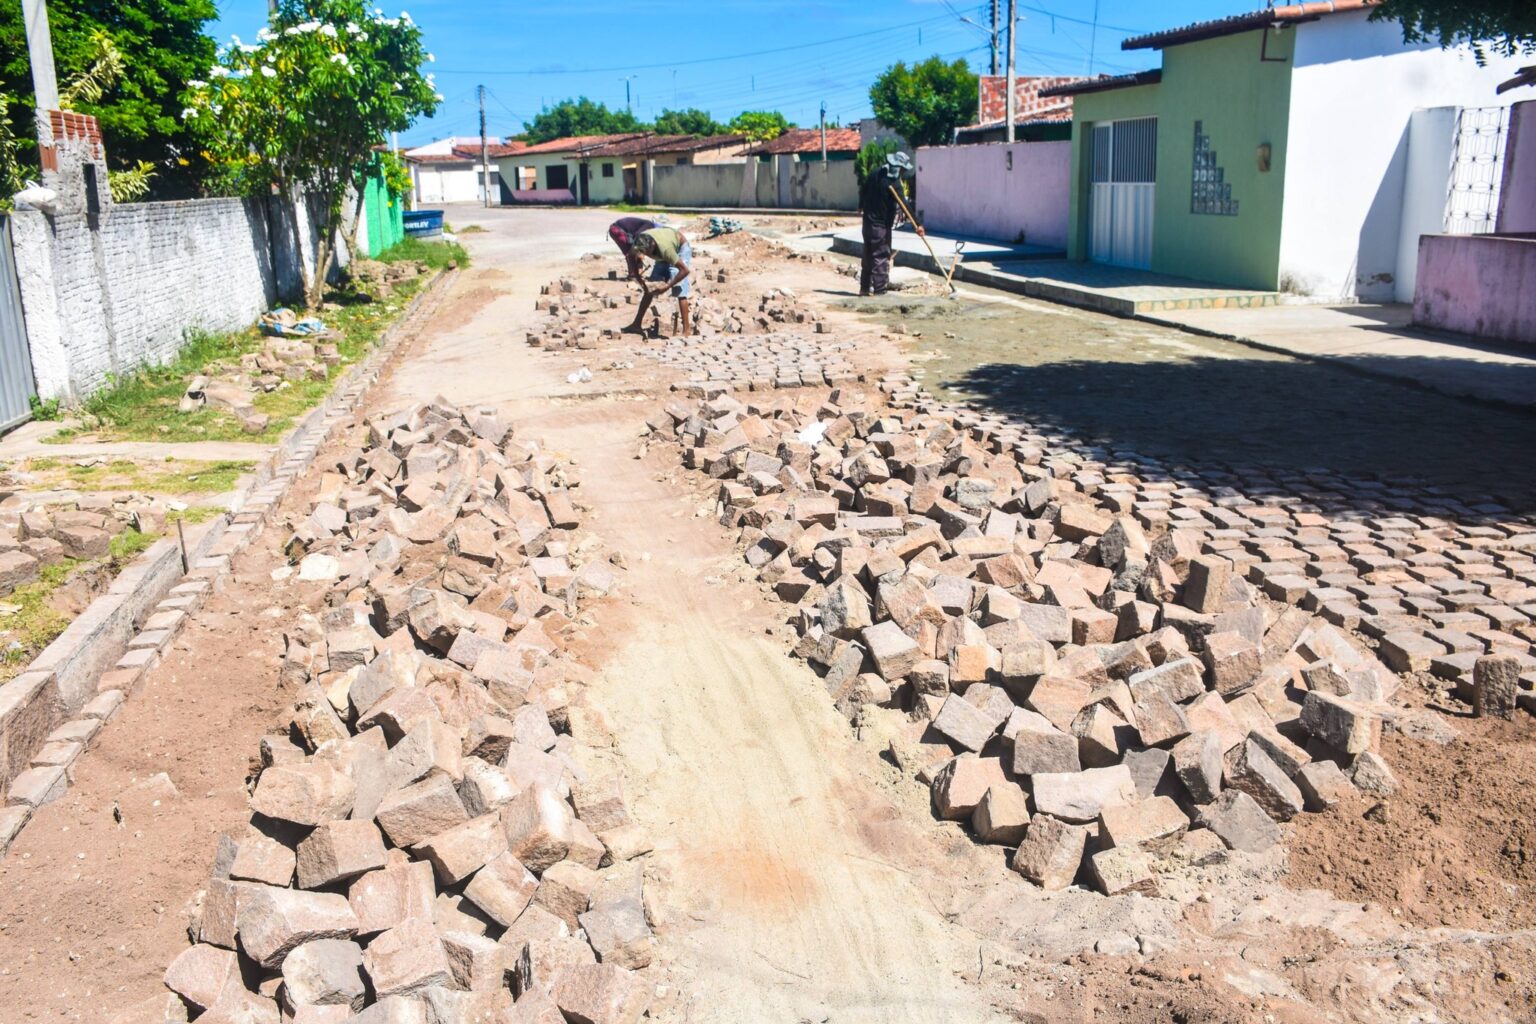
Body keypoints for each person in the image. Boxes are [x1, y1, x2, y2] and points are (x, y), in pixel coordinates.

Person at [858, 151, 922, 297]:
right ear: (898, 167)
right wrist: (917, 224)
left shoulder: (874, 173)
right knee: (881, 256)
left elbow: (863, 189)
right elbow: (905, 205)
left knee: (868, 255)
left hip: (867, 224)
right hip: (880, 226)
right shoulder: (894, 183)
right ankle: (880, 291)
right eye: (903, 170)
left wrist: (860, 205)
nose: (903, 173)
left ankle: (864, 289)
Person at [632, 225, 694, 337]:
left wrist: (668, 286)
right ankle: (636, 324)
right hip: (662, 250)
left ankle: (687, 330)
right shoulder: (639, 241)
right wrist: (639, 276)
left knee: (679, 289)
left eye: (648, 253)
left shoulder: (666, 249)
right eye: (645, 253)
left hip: (680, 248)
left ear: (652, 246)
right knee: (649, 289)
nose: (648, 256)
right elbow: (633, 257)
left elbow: (685, 270)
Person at [607, 216, 656, 333]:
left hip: (615, 229)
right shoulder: (649, 224)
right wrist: (640, 252)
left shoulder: (648, 225)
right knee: (631, 251)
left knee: (631, 251)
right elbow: (638, 235)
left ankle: (634, 273)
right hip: (617, 230)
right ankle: (633, 274)